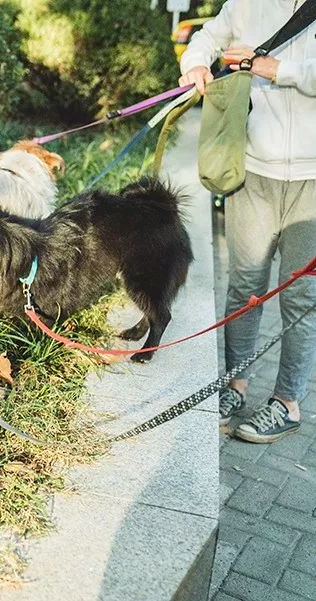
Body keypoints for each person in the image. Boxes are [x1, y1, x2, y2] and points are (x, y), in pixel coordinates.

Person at [178, 0, 316, 443]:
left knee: (300, 296)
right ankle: (235, 386)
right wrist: (196, 64)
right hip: (254, 171)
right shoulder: (247, 2)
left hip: (313, 181)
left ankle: (287, 403)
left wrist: (276, 69)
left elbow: (285, 71)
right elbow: (206, 38)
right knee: (245, 288)